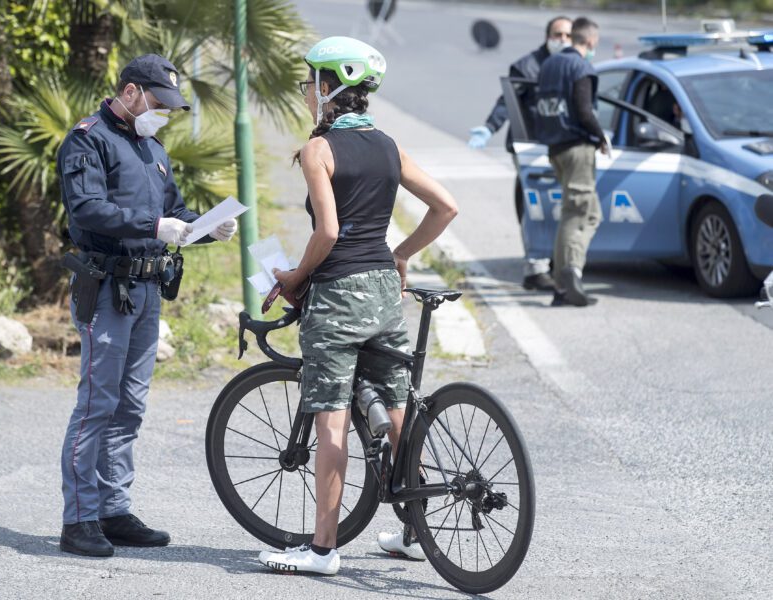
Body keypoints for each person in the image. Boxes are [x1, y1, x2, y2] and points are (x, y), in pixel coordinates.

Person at [257, 36, 458, 575]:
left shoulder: (319, 150)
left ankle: (323, 550)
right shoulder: (389, 145)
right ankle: (417, 529)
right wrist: (398, 254)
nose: (306, 93)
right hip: (382, 291)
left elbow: (328, 230)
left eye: (309, 84)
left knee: (332, 420)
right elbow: (446, 206)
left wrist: (296, 275)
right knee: (397, 408)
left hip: (339, 293)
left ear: (327, 89)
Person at [56, 54, 238, 557]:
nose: (162, 113)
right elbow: (88, 208)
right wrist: (156, 226)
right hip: (107, 287)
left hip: (147, 288)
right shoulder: (88, 138)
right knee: (97, 405)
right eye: (158, 103)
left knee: (130, 407)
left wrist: (206, 227)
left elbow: (173, 210)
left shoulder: (152, 147)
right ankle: (79, 519)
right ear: (132, 91)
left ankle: (114, 510)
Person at [469, 16, 572, 292]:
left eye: (567, 36)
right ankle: (536, 269)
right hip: (532, 149)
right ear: (547, 35)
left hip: (559, 146)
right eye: (557, 34)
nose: (562, 40)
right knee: (537, 206)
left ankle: (554, 259)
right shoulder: (528, 66)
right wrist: (489, 128)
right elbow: (507, 101)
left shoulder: (571, 66)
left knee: (559, 206)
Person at [535, 17, 607, 307]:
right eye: (595, 46)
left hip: (555, 147)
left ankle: (565, 282)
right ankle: (568, 277)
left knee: (589, 214)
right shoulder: (581, 66)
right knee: (575, 213)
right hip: (577, 147)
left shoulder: (549, 65)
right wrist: (602, 137)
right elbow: (584, 110)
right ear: (589, 42)